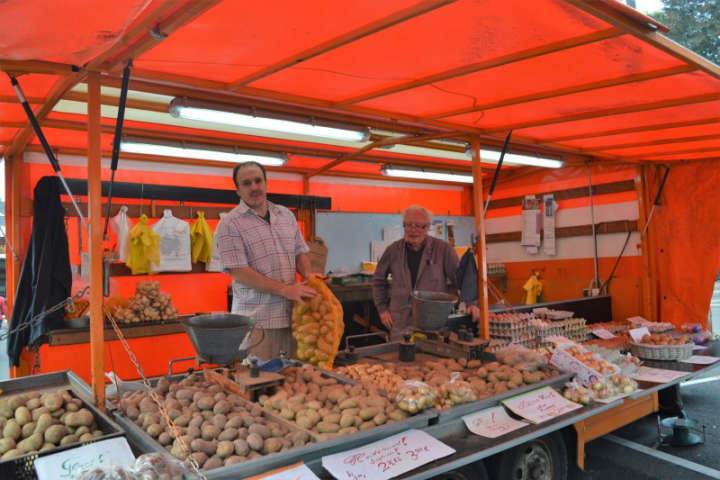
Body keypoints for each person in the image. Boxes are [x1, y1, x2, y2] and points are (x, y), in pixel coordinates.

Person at [216, 161, 316, 360]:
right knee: (262, 383)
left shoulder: (285, 215)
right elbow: (239, 271)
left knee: (294, 382)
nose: (254, 187)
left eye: (258, 181)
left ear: (266, 183)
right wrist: (285, 290)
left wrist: (309, 277)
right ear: (238, 190)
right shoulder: (229, 223)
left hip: (294, 316)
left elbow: (299, 251)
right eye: (246, 183)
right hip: (258, 323)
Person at [372, 205, 459, 340]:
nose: (413, 230)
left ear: (428, 227)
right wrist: (382, 309)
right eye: (409, 225)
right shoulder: (392, 251)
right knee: (400, 357)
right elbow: (378, 280)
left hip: (433, 323)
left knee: (432, 358)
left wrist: (469, 304)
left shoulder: (443, 250)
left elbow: (460, 279)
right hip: (400, 322)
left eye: (419, 226)